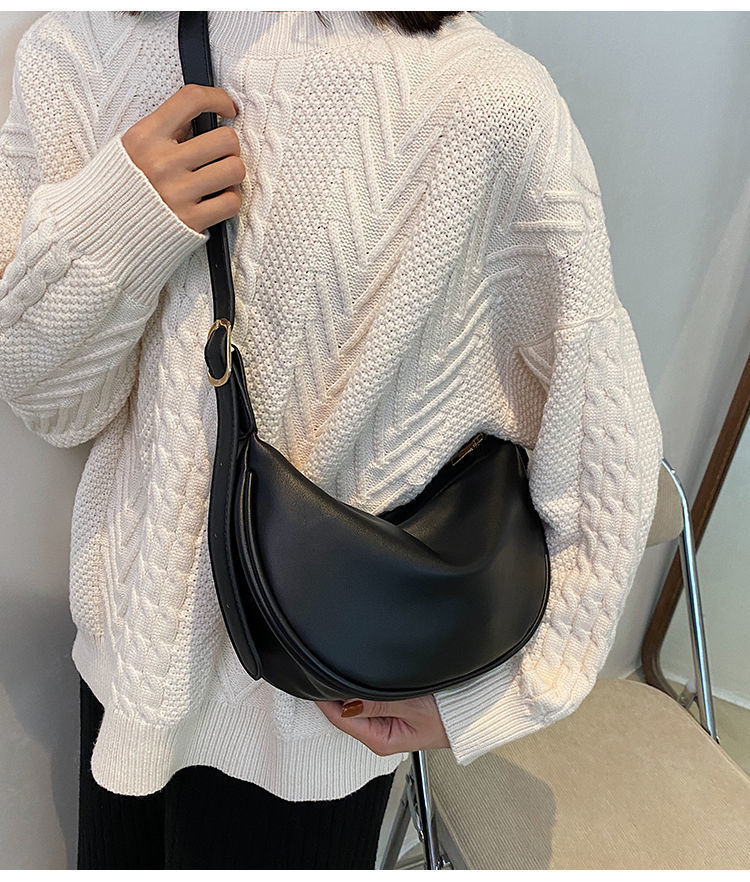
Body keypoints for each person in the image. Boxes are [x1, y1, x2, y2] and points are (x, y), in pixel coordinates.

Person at [0, 9, 663, 870]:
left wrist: (501, 691)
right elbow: (52, 404)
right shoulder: (81, 47)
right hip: (126, 679)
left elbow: (604, 442)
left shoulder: (492, 102)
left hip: (320, 727)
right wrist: (121, 216)